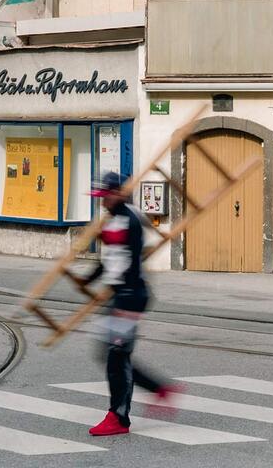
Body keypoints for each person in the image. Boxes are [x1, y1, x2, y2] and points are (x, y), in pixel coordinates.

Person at [80, 171, 178, 436]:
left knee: (117, 355)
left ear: (118, 194)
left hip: (130, 296)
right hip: (121, 295)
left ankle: (119, 417)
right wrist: (88, 279)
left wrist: (123, 301)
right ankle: (158, 389)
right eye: (100, 197)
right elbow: (111, 259)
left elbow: (131, 261)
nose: (102, 202)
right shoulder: (114, 219)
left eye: (106, 197)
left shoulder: (129, 219)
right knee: (110, 354)